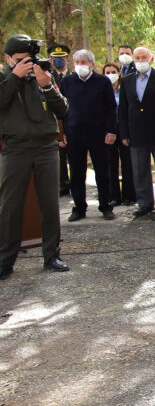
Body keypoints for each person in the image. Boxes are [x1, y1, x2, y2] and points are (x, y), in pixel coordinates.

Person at [0, 34, 70, 277]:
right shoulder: (4, 78)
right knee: (10, 205)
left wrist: (47, 85)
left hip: (46, 147)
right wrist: (14, 77)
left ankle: (52, 255)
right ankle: (5, 261)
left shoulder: (42, 75)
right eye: (20, 60)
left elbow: (62, 109)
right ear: (8, 58)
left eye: (29, 59)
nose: (27, 64)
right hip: (15, 148)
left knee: (49, 203)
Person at [60, 49, 117, 222]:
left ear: (91, 64)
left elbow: (111, 108)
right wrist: (61, 133)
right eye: (77, 62)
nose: (80, 66)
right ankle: (79, 208)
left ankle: (106, 206)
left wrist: (111, 130)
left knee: (102, 171)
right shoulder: (67, 82)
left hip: (98, 133)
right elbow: (60, 109)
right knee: (76, 172)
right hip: (74, 133)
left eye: (83, 62)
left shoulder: (103, 81)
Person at [118, 46, 155, 217]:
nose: (140, 61)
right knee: (140, 170)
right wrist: (124, 133)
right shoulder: (127, 80)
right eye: (137, 58)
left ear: (151, 60)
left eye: (144, 58)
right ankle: (145, 204)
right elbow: (123, 109)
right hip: (136, 133)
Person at [101, 63, 136, 207]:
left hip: (124, 129)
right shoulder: (102, 89)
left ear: (119, 73)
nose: (111, 75)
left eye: (113, 72)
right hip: (108, 130)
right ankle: (114, 196)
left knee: (127, 162)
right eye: (107, 72)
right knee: (111, 163)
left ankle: (129, 195)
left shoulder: (124, 88)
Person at [49, 43, 72, 196]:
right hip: (57, 121)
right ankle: (62, 184)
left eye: (62, 58)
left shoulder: (74, 75)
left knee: (76, 156)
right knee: (60, 156)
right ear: (51, 60)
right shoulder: (47, 77)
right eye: (55, 58)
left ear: (67, 59)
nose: (59, 61)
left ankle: (76, 183)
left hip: (74, 120)